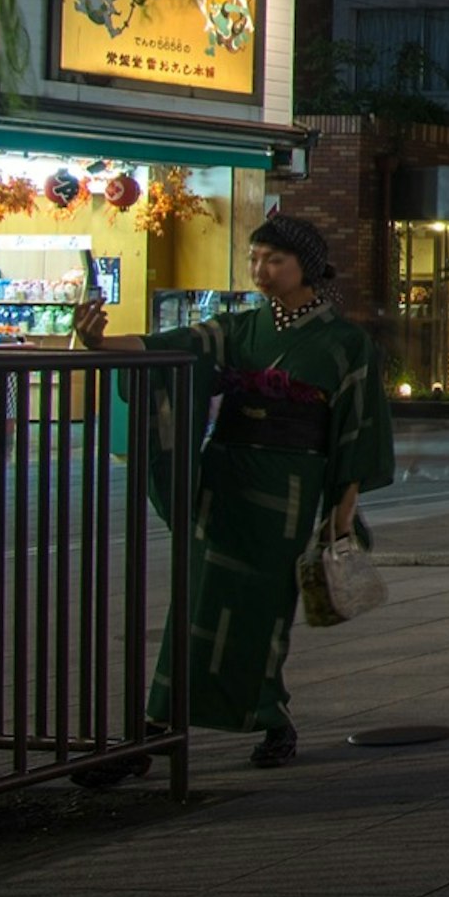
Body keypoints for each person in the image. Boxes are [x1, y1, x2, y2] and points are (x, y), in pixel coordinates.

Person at [68, 214, 391, 775]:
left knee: (260, 610)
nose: (260, 271)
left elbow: (356, 431)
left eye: (275, 261)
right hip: (223, 483)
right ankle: (154, 730)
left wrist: (342, 513)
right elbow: (167, 347)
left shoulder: (345, 344)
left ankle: (270, 717)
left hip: (289, 489)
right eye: (255, 259)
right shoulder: (236, 330)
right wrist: (99, 340)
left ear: (307, 268)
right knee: (196, 603)